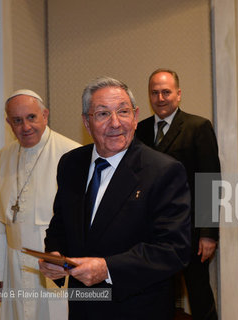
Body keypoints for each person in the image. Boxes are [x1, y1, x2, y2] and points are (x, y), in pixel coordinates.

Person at [39, 77, 192, 319]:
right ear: (86, 122)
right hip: (83, 307)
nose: (115, 123)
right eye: (102, 114)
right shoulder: (71, 164)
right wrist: (54, 255)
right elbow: (60, 225)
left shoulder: (163, 170)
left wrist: (107, 269)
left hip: (136, 308)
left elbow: (173, 249)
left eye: (123, 112)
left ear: (135, 116)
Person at [0, 89, 81, 319]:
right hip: (14, 266)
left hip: (55, 264)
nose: (25, 127)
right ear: (8, 123)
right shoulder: (2, 158)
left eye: (31, 117)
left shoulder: (73, 154)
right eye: (17, 120)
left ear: (45, 115)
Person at [136, 69, 220, 319]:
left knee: (199, 295)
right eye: (154, 92)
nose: (160, 98)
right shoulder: (138, 131)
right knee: (156, 295)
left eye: (166, 92)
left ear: (178, 94)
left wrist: (208, 233)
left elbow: (210, 181)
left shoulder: (198, 126)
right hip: (150, 232)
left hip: (190, 231)